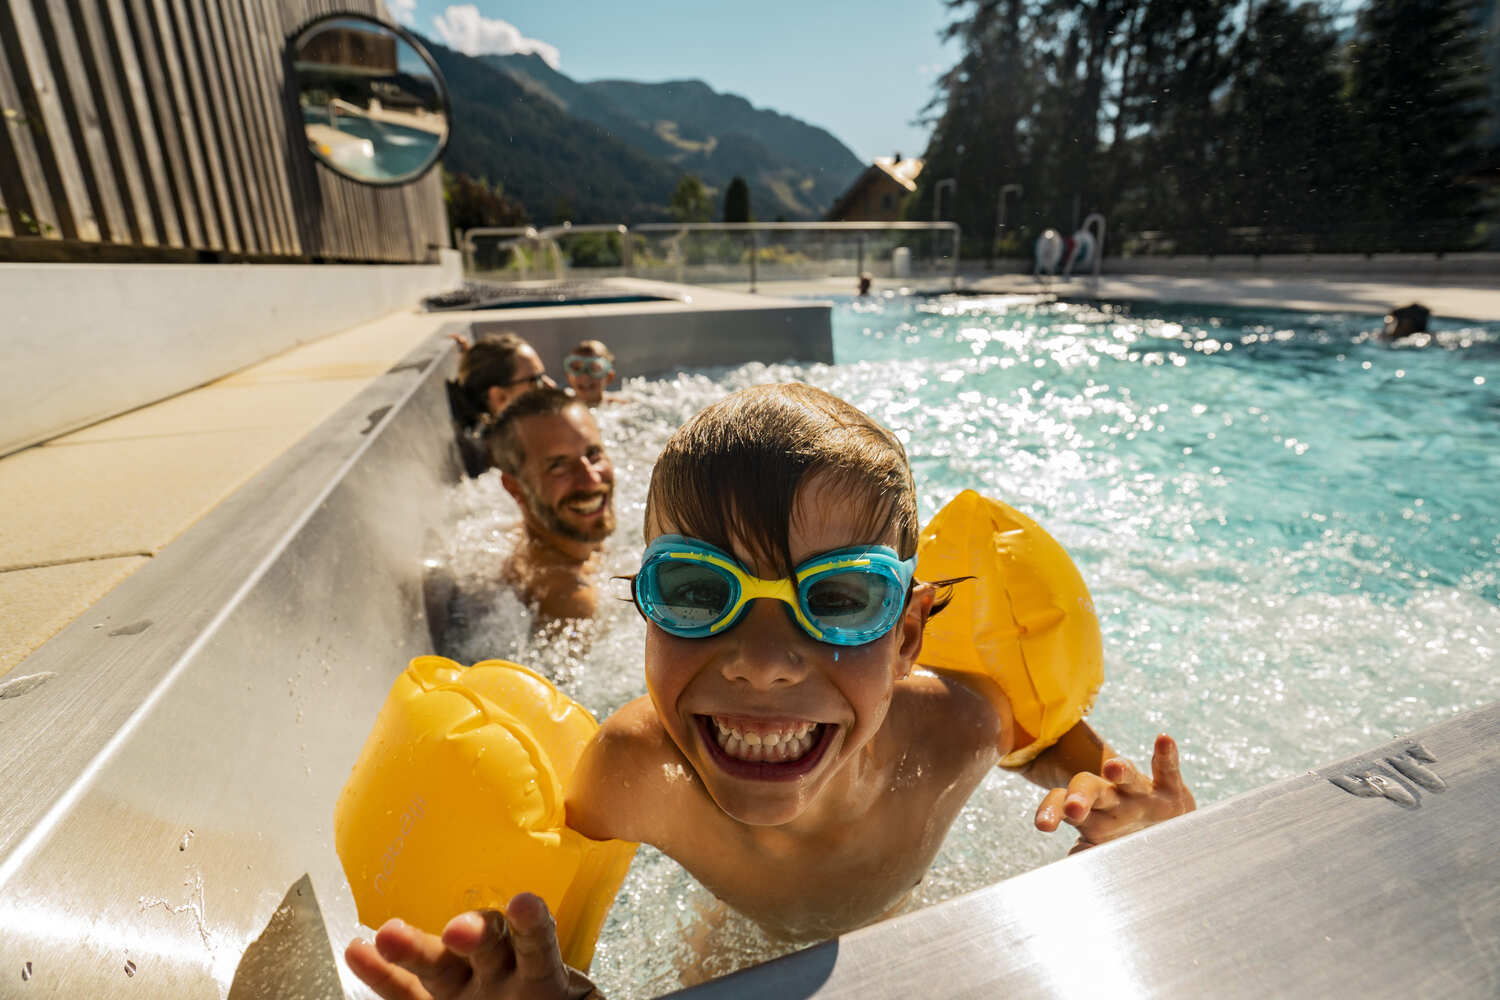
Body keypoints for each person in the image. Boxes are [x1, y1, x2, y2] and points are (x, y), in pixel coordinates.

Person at [348, 383, 1195, 1000]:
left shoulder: (962, 729)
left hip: (909, 924)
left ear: (906, 638)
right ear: (642, 607)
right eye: (695, 590)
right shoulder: (631, 776)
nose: (763, 661)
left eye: (837, 598)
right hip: (734, 951)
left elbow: (1067, 758)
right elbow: (551, 954)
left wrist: (1134, 819)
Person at [484, 386, 615, 623]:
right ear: (515, 487)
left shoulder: (535, 540)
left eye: (593, 453)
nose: (591, 479)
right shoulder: (571, 603)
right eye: (558, 465)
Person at [447, 333, 556, 476]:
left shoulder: (502, 448)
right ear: (500, 397)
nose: (551, 385)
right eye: (536, 380)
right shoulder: (505, 461)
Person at [562, 340, 621, 407]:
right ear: (568, 376)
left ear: (609, 377)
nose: (585, 376)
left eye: (594, 369)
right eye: (577, 369)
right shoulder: (561, 404)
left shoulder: (620, 404)